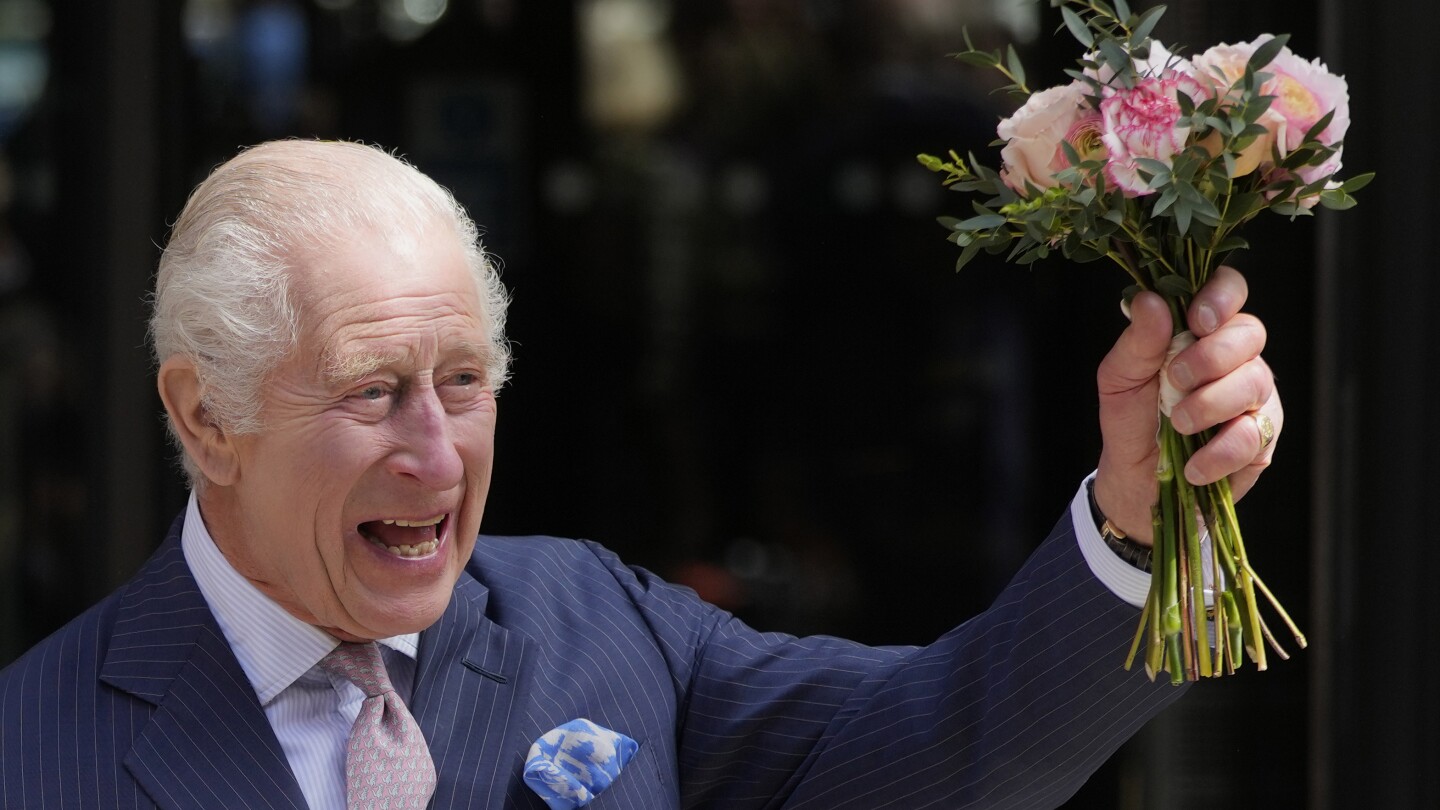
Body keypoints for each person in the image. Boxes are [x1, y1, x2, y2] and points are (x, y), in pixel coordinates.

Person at [0, 140, 1280, 809]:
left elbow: (957, 742)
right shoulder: (34, 750)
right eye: (372, 390)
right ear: (208, 417)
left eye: (463, 380)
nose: (438, 456)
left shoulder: (599, 622)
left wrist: (1135, 526)